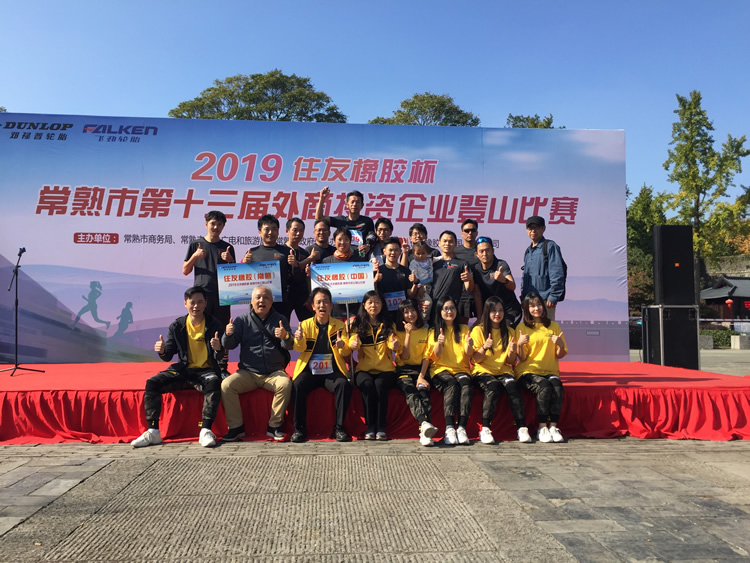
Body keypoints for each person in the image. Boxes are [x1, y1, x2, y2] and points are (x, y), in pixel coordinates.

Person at [132, 286, 224, 448]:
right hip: (183, 370)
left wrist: (218, 348)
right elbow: (168, 355)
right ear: (185, 303)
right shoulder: (177, 326)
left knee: (214, 382)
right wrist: (162, 351)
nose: (196, 306)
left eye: (200, 302)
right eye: (192, 302)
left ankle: (205, 430)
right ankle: (153, 431)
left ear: (205, 303)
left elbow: (221, 355)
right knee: (152, 382)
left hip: (206, 371)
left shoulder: (214, 324)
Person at [220, 286, 293, 442]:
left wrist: (285, 336)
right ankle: (236, 427)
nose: (261, 301)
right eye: (258, 298)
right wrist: (227, 334)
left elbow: (289, 346)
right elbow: (229, 345)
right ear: (251, 301)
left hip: (274, 372)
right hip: (248, 372)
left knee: (285, 384)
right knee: (227, 385)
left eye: (266, 298)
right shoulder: (242, 320)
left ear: (272, 301)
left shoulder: (280, 319)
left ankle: (274, 426)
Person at [290, 287, 353, 443]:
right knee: (297, 385)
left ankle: (339, 428)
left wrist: (342, 346)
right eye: (318, 302)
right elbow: (299, 348)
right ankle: (299, 429)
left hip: (332, 371)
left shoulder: (339, 325)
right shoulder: (304, 325)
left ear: (331, 305)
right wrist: (298, 339)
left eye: (325, 302)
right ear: (313, 306)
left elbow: (346, 352)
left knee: (343, 385)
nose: (322, 305)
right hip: (310, 371)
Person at [470, 296, 530, 445]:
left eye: (501, 310)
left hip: (504, 372)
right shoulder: (478, 330)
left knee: (513, 386)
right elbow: (475, 359)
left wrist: (511, 351)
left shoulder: (509, 331)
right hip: (483, 371)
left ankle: (522, 428)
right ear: (487, 312)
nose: (498, 314)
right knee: (493, 387)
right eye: (494, 310)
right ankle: (485, 428)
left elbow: (510, 361)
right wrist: (484, 347)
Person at [183, 211, 236, 371]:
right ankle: (200, 365)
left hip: (223, 296)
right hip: (201, 297)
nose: (216, 227)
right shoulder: (196, 245)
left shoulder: (227, 248)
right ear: (206, 224)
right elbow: (185, 270)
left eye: (219, 224)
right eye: (213, 223)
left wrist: (230, 261)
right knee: (200, 330)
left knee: (222, 331)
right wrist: (195, 256)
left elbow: (235, 275)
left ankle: (222, 366)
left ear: (223, 226)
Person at [516, 292, 568, 443]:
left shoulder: (553, 326)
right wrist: (520, 344)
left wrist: (560, 345)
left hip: (550, 371)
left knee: (557, 386)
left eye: (539, 304)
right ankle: (542, 427)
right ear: (526, 309)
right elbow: (522, 358)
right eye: (532, 306)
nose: (536, 308)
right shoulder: (522, 327)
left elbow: (560, 354)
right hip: (528, 372)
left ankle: (553, 427)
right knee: (544, 386)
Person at [423, 295, 474, 445]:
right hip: (440, 370)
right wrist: (439, 343)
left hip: (461, 369)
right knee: (451, 384)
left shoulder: (464, 329)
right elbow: (435, 356)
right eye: (445, 309)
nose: (449, 311)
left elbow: (469, 353)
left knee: (466, 385)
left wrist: (469, 345)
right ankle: (450, 428)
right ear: (439, 311)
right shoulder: (434, 331)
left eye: (452, 308)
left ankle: (462, 428)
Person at [349, 290, 399, 440]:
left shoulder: (389, 323)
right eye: (370, 302)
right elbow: (353, 342)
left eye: (377, 302)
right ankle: (370, 426)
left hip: (386, 369)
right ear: (364, 305)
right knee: (367, 384)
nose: (373, 305)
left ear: (382, 305)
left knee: (380, 384)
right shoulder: (357, 324)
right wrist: (353, 344)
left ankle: (381, 426)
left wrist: (394, 344)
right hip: (364, 369)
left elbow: (392, 341)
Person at [394, 299, 437, 446]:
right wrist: (408, 334)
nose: (410, 314)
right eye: (406, 312)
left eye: (412, 310)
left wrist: (421, 377)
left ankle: (425, 432)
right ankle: (424, 424)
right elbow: (405, 356)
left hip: (421, 369)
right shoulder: (398, 332)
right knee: (411, 393)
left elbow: (427, 356)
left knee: (423, 391)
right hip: (404, 370)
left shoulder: (427, 331)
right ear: (401, 315)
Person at [243, 214, 293, 319]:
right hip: (258, 302)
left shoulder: (287, 252)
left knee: (280, 328)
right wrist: (245, 264)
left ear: (278, 232)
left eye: (274, 229)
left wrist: (295, 265)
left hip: (280, 302)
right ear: (259, 232)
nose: (270, 232)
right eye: (267, 229)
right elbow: (244, 278)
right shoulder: (252, 253)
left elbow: (295, 278)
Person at [521, 216, 566, 321]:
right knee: (530, 330)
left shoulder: (550, 246)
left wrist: (553, 296)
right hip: (530, 302)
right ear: (526, 230)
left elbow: (557, 273)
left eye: (536, 227)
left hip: (545, 301)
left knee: (547, 330)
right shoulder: (528, 251)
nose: (533, 231)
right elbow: (525, 278)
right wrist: (523, 299)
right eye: (530, 228)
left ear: (543, 229)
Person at [472, 236, 523, 327]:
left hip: (509, 310)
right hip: (491, 312)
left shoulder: (501, 264)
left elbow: (513, 286)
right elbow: (477, 294)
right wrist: (480, 317)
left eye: (487, 250)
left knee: (504, 331)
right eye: (481, 251)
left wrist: (504, 280)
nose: (485, 254)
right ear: (476, 254)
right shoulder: (475, 269)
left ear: (493, 251)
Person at [321, 228, 368, 321]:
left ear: (350, 242)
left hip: (354, 310)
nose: (342, 242)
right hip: (334, 311)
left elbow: (365, 284)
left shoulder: (359, 261)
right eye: (339, 239)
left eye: (346, 239)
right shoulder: (326, 262)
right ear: (334, 241)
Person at [430, 231, 476, 322]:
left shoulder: (462, 264)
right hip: (433, 307)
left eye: (450, 241)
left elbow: (469, 288)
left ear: (455, 244)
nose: (447, 244)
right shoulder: (432, 262)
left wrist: (469, 279)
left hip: (451, 309)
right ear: (439, 243)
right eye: (445, 241)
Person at [315, 186, 375, 254]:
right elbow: (319, 217)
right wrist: (322, 198)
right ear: (347, 204)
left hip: (360, 257)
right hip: (342, 256)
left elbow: (372, 236)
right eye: (352, 202)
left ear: (362, 205)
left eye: (358, 202)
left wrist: (368, 245)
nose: (354, 204)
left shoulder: (367, 221)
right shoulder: (340, 220)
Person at [375, 237, 419, 317]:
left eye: (396, 250)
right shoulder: (378, 271)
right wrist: (375, 281)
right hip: (384, 313)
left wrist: (415, 283)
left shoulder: (405, 271)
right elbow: (373, 293)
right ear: (384, 251)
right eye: (390, 250)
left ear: (400, 252)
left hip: (402, 313)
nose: (393, 253)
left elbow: (411, 295)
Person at [285, 217, 318, 323]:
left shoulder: (305, 253)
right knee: (283, 325)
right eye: (295, 230)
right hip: (285, 296)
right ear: (287, 231)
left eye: (301, 230)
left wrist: (310, 295)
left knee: (310, 325)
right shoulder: (280, 252)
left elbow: (308, 277)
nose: (298, 233)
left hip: (302, 296)